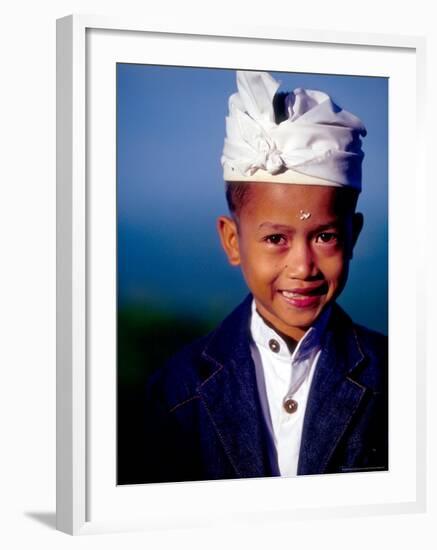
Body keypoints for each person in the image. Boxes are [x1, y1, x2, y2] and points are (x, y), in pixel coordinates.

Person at [142, 70, 388, 483]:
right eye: (275, 238)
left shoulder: (400, 380)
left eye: (325, 236)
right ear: (233, 241)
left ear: (354, 235)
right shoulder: (175, 390)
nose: (303, 267)